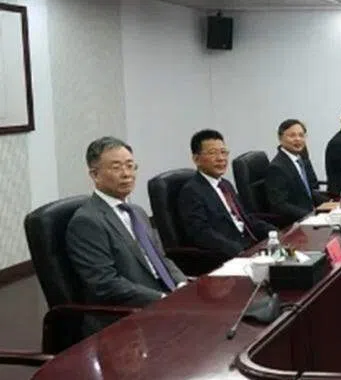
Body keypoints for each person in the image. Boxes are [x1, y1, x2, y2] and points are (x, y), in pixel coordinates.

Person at [66, 136, 186, 307]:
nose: (126, 174)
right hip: (133, 309)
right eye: (116, 168)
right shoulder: (87, 222)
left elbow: (161, 258)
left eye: (130, 166)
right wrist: (162, 299)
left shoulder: (137, 212)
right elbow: (105, 284)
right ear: (95, 175)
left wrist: (182, 284)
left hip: (166, 295)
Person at [178, 129, 273, 258]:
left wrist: (274, 233)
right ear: (196, 159)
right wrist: (238, 251)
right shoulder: (191, 191)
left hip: (251, 244)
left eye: (223, 152)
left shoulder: (225, 184)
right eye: (212, 153)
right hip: (228, 254)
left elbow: (245, 218)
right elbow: (201, 233)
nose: (221, 158)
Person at [266, 118, 327, 221]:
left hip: (311, 214)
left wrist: (332, 203)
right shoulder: (277, 168)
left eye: (301, 135)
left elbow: (309, 192)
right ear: (280, 138)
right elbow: (280, 205)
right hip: (295, 221)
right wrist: (311, 216)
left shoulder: (301, 159)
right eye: (292, 135)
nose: (298, 139)